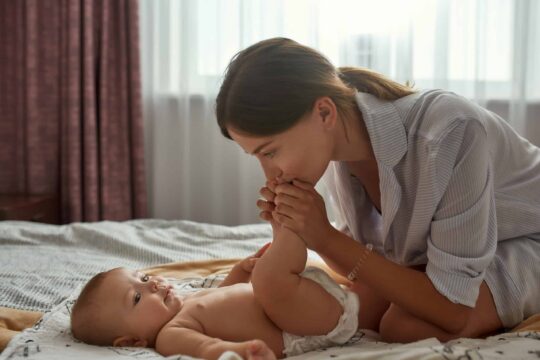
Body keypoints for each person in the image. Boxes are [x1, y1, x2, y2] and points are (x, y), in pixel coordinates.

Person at [215, 37, 540, 343]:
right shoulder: (338, 153)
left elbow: (452, 310)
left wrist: (324, 236)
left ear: (324, 112)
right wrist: (307, 232)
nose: (270, 173)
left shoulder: (448, 131)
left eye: (270, 152)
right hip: (473, 248)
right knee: (361, 306)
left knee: (404, 326)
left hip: (529, 238)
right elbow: (365, 261)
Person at [70, 223, 360, 359]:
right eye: (137, 296)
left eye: (143, 277)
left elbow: (226, 294)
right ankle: (288, 226)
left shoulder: (188, 301)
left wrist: (241, 270)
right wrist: (239, 351)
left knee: (367, 290)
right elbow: (207, 348)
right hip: (298, 325)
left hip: (300, 301)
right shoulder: (171, 335)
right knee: (273, 272)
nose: (152, 284)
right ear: (132, 341)